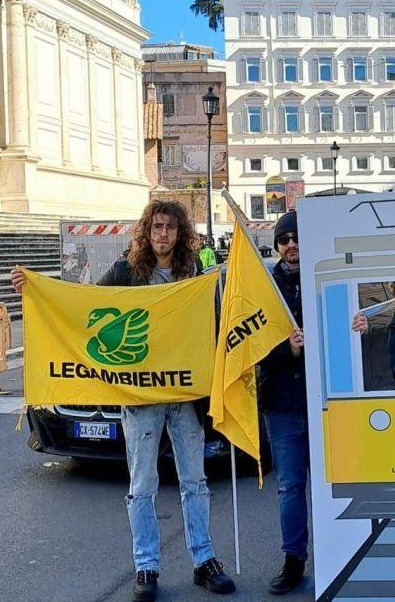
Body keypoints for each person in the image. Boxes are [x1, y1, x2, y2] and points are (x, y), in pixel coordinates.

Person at [12, 201, 235, 602]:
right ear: (146, 233)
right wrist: (35, 289)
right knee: (142, 483)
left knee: (195, 482)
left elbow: (212, 325)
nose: (162, 234)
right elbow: (82, 306)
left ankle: (204, 560)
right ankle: (146, 566)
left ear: (179, 233)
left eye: (169, 227)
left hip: (184, 397)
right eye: (156, 227)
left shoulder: (193, 274)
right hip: (141, 399)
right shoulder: (124, 273)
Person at [257, 211, 310, 594]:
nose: (291, 244)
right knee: (290, 486)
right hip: (281, 403)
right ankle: (294, 560)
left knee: (330, 484)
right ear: (276, 246)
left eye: (296, 237)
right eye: (284, 239)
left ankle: (339, 553)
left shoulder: (324, 274)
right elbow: (248, 347)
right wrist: (284, 351)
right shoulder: (263, 287)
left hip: (326, 401)